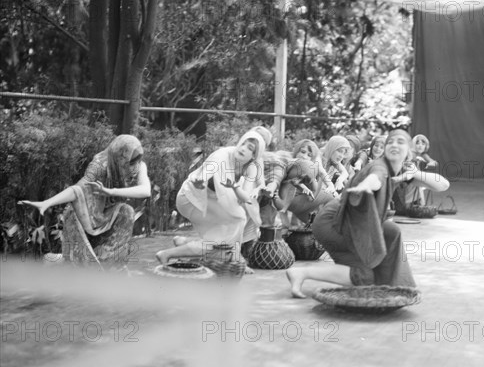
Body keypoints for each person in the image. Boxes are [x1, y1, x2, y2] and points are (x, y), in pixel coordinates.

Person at [285, 128, 450, 298]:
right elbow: (376, 178)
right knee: (364, 276)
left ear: (409, 150)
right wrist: (367, 186)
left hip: (352, 221)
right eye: (390, 142)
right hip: (334, 223)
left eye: (400, 142)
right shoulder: (380, 166)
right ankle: (302, 273)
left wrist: (415, 173)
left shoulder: (400, 170)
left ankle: (390, 282)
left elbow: (442, 185)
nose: (394, 144)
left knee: (391, 232)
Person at [18, 135, 151, 268]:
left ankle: (111, 264)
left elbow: (146, 190)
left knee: (127, 212)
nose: (135, 167)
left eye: (138, 162)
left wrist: (110, 191)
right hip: (85, 215)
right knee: (79, 262)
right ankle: (60, 260)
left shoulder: (140, 166)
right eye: (131, 163)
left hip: (109, 217)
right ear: (119, 158)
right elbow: (78, 189)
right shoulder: (100, 165)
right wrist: (47, 202)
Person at [155, 130, 265, 265]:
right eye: (243, 143)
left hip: (212, 201)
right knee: (229, 229)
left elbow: (245, 198)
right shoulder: (222, 156)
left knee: (231, 226)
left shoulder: (252, 167)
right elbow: (204, 176)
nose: (243, 149)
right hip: (191, 199)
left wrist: (235, 186)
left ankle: (183, 243)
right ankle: (167, 254)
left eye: (250, 148)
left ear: (254, 156)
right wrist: (201, 181)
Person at [412, 134, 438, 205]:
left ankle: (420, 204)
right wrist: (415, 159)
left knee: (420, 184)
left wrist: (431, 163)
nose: (420, 146)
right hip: (407, 178)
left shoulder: (423, 155)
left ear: (426, 146)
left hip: (417, 178)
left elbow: (434, 162)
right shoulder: (411, 153)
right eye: (417, 143)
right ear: (413, 144)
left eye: (423, 144)